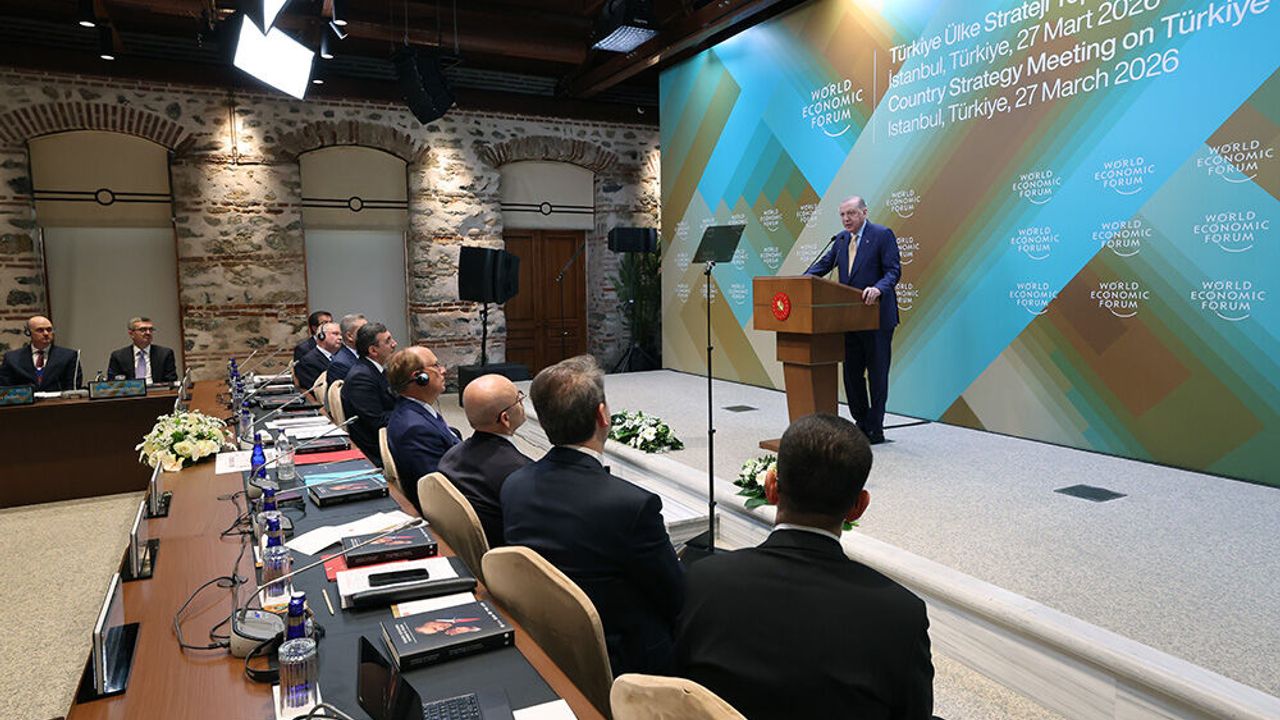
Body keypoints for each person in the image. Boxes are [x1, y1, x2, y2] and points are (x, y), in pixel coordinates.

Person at [674, 413, 934, 719]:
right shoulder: (901, 616)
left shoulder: (704, 580)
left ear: (771, 487)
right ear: (858, 507)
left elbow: (674, 689)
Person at [501, 355, 683, 676]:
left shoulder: (514, 485)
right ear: (602, 415)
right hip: (622, 661)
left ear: (542, 420)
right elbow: (676, 599)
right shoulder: (632, 505)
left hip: (545, 639)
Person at [805, 195, 901, 444]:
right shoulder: (840, 240)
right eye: (842, 215)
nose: (846, 219)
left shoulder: (882, 235)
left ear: (864, 212)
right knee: (851, 375)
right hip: (848, 319)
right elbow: (822, 266)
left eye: (851, 213)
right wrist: (801, 282)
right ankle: (861, 422)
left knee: (877, 375)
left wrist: (878, 288)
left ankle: (875, 428)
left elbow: (893, 271)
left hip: (876, 318)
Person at [436, 374, 532, 547]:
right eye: (518, 399)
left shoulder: (450, 457)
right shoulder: (522, 473)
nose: (522, 402)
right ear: (505, 418)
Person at [385, 345, 459, 513]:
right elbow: (439, 488)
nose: (443, 370)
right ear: (420, 378)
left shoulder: (417, 410)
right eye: (436, 366)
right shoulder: (414, 429)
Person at [339, 322, 397, 465]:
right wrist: (411, 414)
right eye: (388, 341)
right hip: (376, 447)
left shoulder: (374, 369)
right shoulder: (361, 377)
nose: (394, 344)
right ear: (373, 350)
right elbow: (377, 421)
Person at [0, 315, 81, 391]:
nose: (46, 333)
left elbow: (72, 389)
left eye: (49, 330)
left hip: (58, 400)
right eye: (40, 330)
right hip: (25, 400)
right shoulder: (12, 359)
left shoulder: (68, 356)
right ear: (28, 332)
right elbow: (5, 390)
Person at [106, 316, 178, 384]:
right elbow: (113, 383)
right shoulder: (119, 356)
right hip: (131, 392)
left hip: (158, 391)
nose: (148, 333)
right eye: (143, 330)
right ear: (131, 334)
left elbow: (171, 381)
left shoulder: (165, 354)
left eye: (150, 330)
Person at [296, 320, 341, 390]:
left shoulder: (343, 356)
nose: (340, 338)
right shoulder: (308, 361)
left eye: (341, 334)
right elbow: (314, 390)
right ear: (321, 336)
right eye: (335, 334)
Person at [325, 313, 366, 384]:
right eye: (364, 331)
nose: (370, 334)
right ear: (349, 336)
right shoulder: (339, 364)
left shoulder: (367, 353)